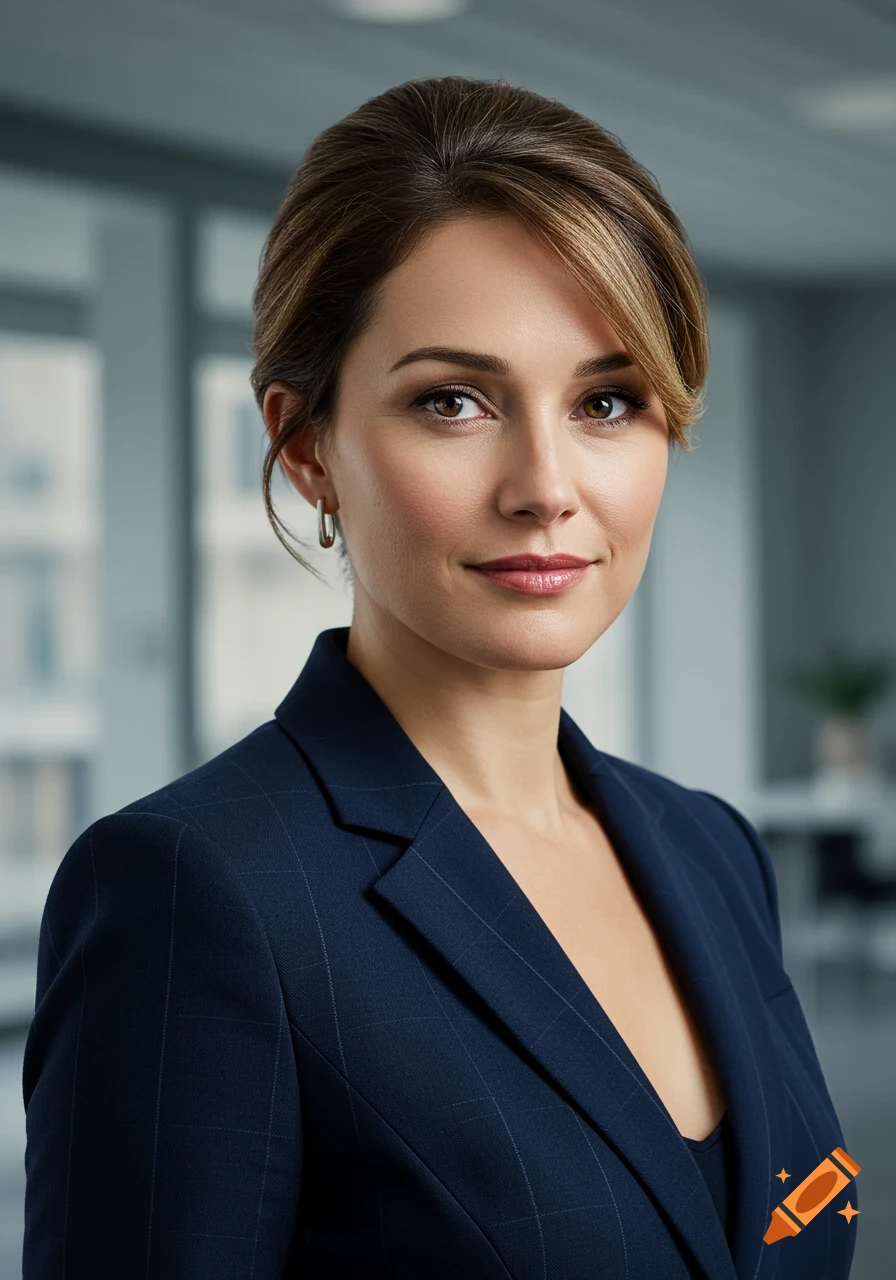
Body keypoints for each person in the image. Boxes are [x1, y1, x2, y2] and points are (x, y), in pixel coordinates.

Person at [22, 77, 856, 1280]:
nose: (545, 486)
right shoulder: (198, 891)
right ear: (307, 445)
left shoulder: (709, 847)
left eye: (606, 400)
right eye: (452, 401)